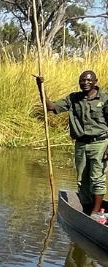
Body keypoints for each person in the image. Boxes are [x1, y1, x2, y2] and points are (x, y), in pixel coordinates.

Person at [37, 70, 108, 221]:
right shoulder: (73, 98)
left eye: (89, 80)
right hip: (81, 144)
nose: (85, 83)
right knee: (82, 179)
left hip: (100, 143)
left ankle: (96, 213)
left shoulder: (104, 98)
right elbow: (50, 107)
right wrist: (40, 87)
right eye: (82, 80)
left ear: (96, 81)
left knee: (97, 178)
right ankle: (87, 209)